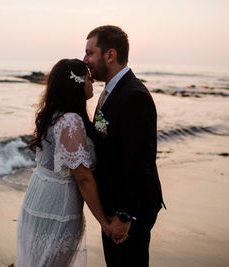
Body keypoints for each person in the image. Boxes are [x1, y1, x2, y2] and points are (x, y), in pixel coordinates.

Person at [16, 59, 113, 266]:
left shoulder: (54, 114)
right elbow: (83, 178)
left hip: (39, 197)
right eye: (88, 78)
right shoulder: (70, 120)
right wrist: (105, 223)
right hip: (57, 208)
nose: (92, 82)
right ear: (77, 83)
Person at [83, 25, 165, 267]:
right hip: (115, 202)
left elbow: (140, 160)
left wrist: (125, 214)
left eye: (90, 53)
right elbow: (104, 138)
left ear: (110, 55)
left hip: (130, 207)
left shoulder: (133, 95)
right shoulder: (110, 91)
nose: (85, 60)